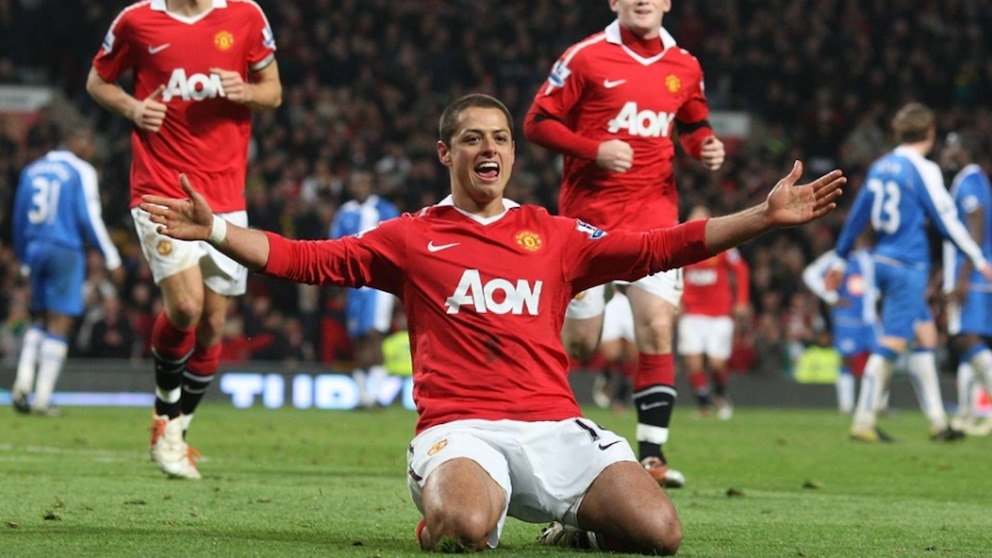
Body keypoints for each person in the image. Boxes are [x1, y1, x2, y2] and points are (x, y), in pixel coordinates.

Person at [140, 93, 844, 553]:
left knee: (662, 534)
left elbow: (661, 245)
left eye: (501, 138)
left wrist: (763, 216)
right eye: (473, 138)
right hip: (460, 429)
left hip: (555, 426)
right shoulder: (410, 237)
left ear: (512, 152)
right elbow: (302, 260)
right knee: (469, 529)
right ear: (446, 154)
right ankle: (441, 513)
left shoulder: (556, 234)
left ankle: (576, 524)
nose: (491, 148)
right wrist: (219, 232)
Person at [524, 0, 725, 487]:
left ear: (666, 3)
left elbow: (693, 124)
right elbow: (536, 122)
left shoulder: (685, 64)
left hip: (655, 222)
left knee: (656, 328)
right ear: (614, 2)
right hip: (587, 224)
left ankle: (652, 457)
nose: (642, 1)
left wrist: (705, 147)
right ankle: (540, 436)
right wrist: (593, 149)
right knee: (580, 341)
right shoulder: (585, 57)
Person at [86, 0, 282, 479]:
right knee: (187, 308)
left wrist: (249, 92)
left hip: (225, 196)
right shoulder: (137, 20)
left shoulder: (245, 16)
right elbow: (97, 82)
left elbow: (273, 92)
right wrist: (133, 107)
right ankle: (164, 414)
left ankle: (178, 431)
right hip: (160, 187)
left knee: (214, 325)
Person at [826, 103, 991, 443]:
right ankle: (863, 419)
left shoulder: (881, 166)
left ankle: (937, 420)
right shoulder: (923, 169)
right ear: (929, 134)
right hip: (908, 265)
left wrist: (840, 259)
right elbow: (946, 220)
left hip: (883, 261)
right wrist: (976, 256)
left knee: (926, 336)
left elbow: (858, 215)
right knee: (892, 342)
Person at [10, 124, 123, 415]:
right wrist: (111, 258)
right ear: (78, 141)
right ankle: (43, 399)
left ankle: (22, 383)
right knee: (60, 323)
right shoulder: (80, 171)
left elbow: (18, 219)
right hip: (65, 248)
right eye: (89, 143)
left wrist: (23, 259)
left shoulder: (32, 170)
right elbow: (90, 218)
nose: (92, 149)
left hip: (35, 248)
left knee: (40, 318)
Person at [329, 168, 400, 408]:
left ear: (370, 184)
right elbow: (334, 245)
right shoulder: (345, 212)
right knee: (357, 338)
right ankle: (362, 397)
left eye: (363, 181)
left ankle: (377, 395)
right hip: (354, 285)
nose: (359, 186)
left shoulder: (384, 210)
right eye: (355, 182)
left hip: (378, 285)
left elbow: (398, 243)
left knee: (374, 334)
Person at [939, 130, 992, 434]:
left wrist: (961, 277)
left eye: (952, 147)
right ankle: (969, 412)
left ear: (965, 152)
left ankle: (972, 411)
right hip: (971, 272)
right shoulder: (974, 180)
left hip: (972, 274)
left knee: (970, 338)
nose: (946, 152)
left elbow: (977, 229)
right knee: (965, 341)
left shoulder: (970, 181)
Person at [677, 206, 750, 419]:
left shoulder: (721, 245)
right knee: (692, 362)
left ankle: (720, 393)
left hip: (719, 313)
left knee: (717, 364)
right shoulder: (680, 245)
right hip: (691, 312)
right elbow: (672, 272)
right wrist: (675, 300)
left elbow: (741, 270)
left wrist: (742, 301)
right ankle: (704, 405)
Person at [802, 240, 879, 415]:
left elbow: (876, 283)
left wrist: (876, 300)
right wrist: (831, 297)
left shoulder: (870, 257)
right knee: (846, 359)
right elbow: (810, 274)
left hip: (869, 318)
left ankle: (877, 405)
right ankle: (846, 406)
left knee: (881, 358)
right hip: (847, 318)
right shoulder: (835, 257)